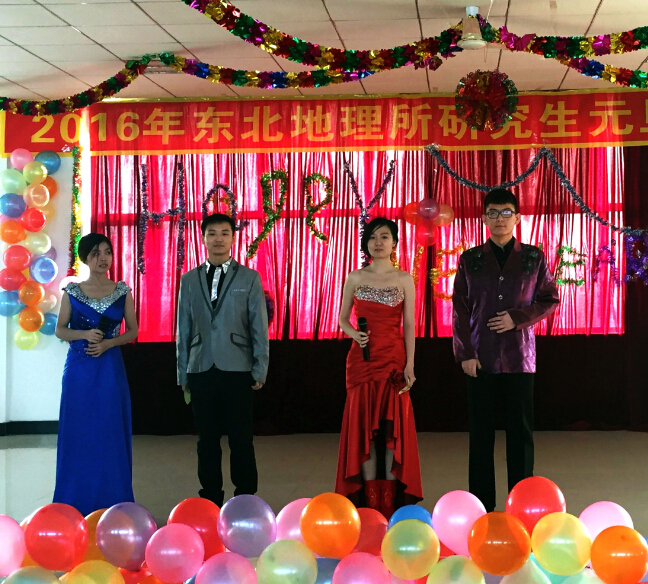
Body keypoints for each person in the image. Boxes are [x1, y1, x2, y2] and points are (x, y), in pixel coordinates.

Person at [452, 188, 560, 512]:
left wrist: (517, 318)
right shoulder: (470, 259)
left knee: (520, 437)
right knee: (480, 437)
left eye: (506, 213)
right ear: (484, 218)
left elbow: (549, 299)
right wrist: (465, 354)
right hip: (479, 358)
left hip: (519, 358)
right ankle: (482, 510)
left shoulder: (533, 258)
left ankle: (521, 507)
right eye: (493, 213)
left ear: (517, 218)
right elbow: (459, 309)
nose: (500, 219)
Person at [177, 213, 269, 506]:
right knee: (206, 440)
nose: (218, 239)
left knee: (241, 438)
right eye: (212, 233)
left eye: (224, 233)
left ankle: (245, 498)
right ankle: (210, 499)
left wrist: (260, 367)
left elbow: (258, 326)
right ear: (203, 238)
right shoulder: (189, 280)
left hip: (238, 367)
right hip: (201, 367)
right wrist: (182, 373)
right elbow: (183, 329)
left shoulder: (249, 278)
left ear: (232, 238)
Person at [335, 217, 423, 518]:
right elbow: (342, 319)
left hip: (393, 361)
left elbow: (409, 324)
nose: (378, 242)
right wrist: (354, 334)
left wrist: (410, 363)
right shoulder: (355, 277)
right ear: (366, 244)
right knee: (366, 432)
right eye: (372, 237)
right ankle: (370, 506)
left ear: (394, 243)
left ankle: (390, 505)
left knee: (390, 432)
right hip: (361, 363)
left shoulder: (404, 278)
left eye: (384, 236)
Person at [54, 233, 138, 515]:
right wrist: (84, 335)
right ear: (85, 258)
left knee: (109, 431)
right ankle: (74, 502)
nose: (103, 258)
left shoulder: (122, 291)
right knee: (79, 432)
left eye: (107, 252)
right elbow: (60, 330)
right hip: (79, 370)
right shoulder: (72, 291)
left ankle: (114, 501)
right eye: (96, 253)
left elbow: (133, 331)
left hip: (110, 369)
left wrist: (108, 343)